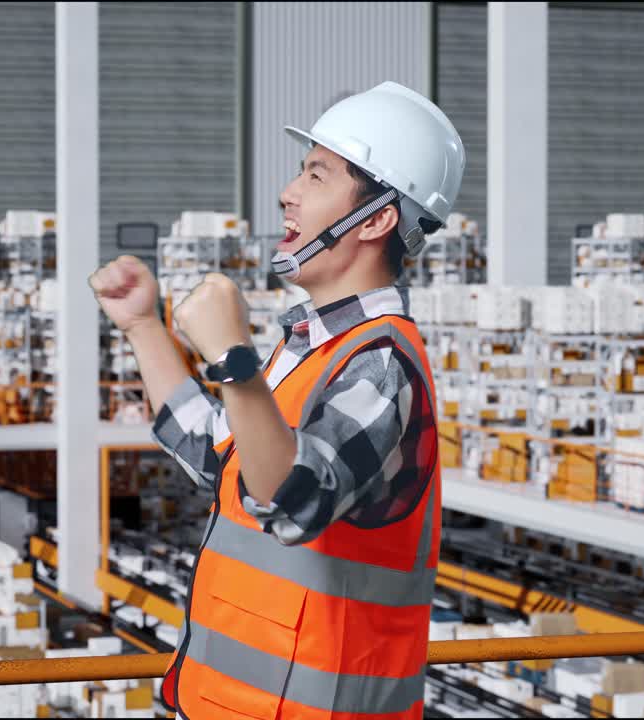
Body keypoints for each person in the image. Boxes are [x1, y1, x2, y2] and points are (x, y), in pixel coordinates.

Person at [89, 81, 465, 719]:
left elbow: (291, 501)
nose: (288, 193)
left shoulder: (381, 363)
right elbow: (222, 459)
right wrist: (143, 326)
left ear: (375, 220)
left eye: (316, 175)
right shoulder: (309, 349)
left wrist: (233, 360)